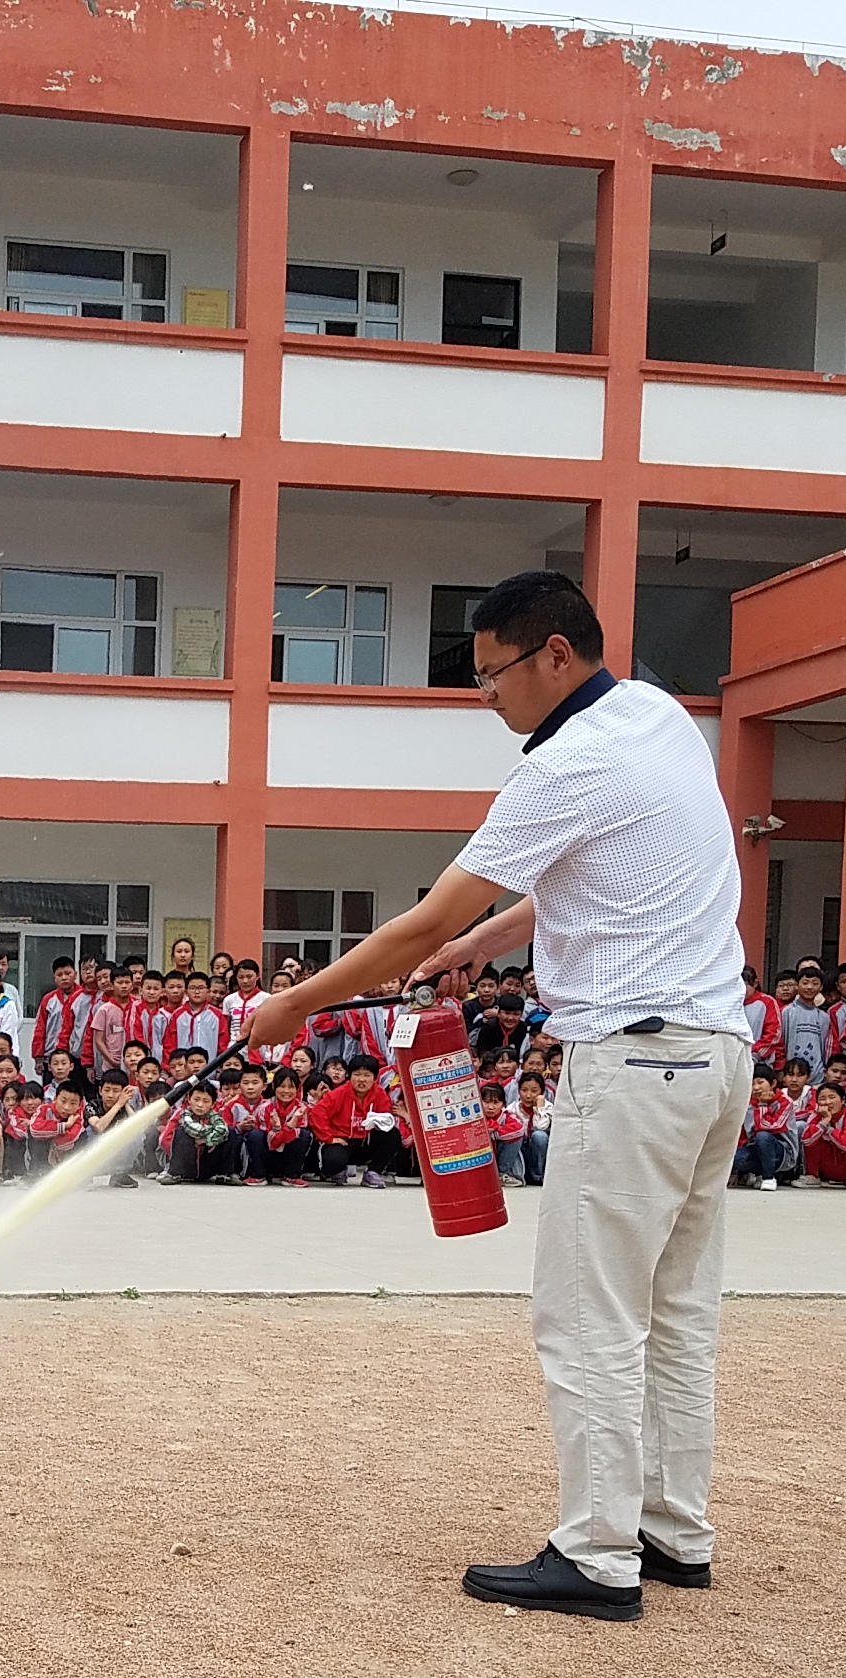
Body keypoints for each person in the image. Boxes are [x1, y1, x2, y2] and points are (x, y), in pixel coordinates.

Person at [247, 568, 747, 1622]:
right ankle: (671, 1529)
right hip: (714, 1060)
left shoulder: (563, 767)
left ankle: (599, 1555)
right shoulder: (658, 718)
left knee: (589, 1316)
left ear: (553, 654)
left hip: (635, 1063)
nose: (488, 698)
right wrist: (487, 940)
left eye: (492, 676)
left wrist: (294, 1006)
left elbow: (418, 926)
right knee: (676, 1312)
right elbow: (600, 877)